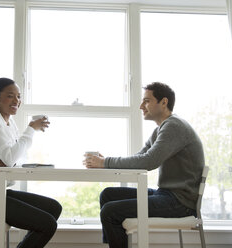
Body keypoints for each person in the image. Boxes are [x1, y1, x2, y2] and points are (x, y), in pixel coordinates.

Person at [83, 82, 205, 248]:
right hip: (167, 195)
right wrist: (105, 162)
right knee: (108, 195)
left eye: (146, 101)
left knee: (110, 211)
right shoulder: (161, 128)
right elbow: (140, 157)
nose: (141, 106)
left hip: (180, 203)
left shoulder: (174, 126)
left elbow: (148, 161)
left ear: (164, 102)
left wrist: (104, 162)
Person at [0, 78, 62, 248]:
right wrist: (30, 129)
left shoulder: (8, 121)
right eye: (10, 96)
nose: (16, 101)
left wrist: (11, 160)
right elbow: (12, 156)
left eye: (18, 96)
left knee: (53, 208)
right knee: (47, 224)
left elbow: (19, 157)